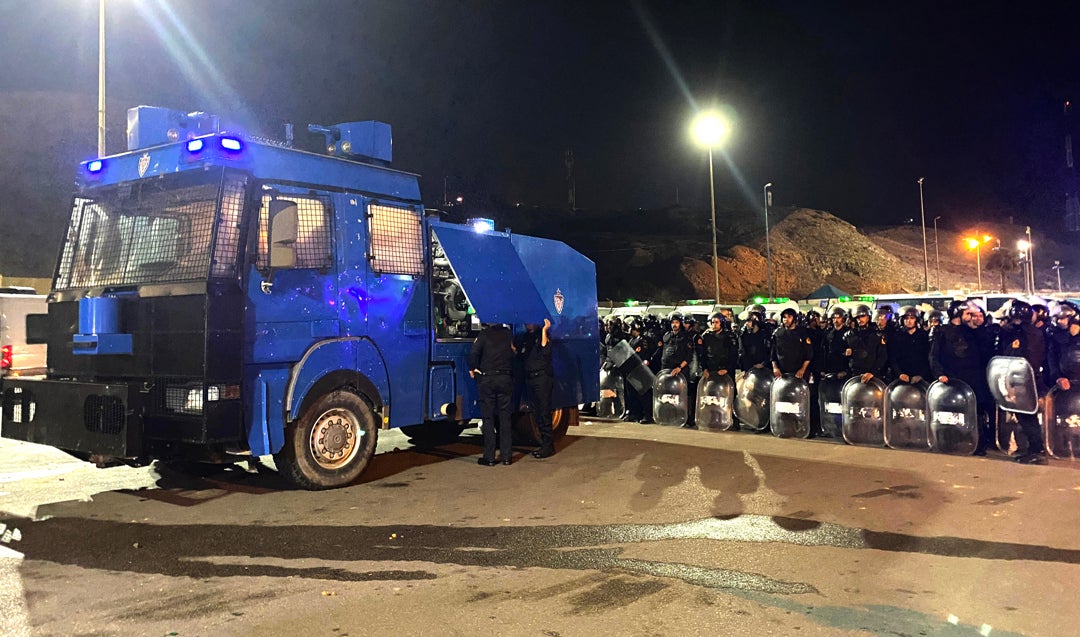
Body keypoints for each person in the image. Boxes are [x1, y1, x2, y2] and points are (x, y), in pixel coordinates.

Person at [930, 299, 995, 455]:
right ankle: (952, 440)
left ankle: (979, 443)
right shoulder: (942, 331)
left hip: (974, 377)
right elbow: (934, 355)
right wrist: (940, 374)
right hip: (952, 377)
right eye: (968, 313)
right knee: (953, 411)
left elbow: (985, 351)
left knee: (977, 410)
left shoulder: (972, 331)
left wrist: (977, 329)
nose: (971, 316)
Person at [997, 300, 1048, 464]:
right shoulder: (1027, 331)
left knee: (1027, 416)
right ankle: (1031, 448)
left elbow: (1019, 355)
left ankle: (1035, 449)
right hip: (1023, 378)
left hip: (1023, 379)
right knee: (1024, 416)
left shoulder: (1026, 333)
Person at [469, 322, 516, 466]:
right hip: (505, 378)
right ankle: (507, 457)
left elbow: (473, 354)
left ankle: (489, 457)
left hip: (488, 379)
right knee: (505, 418)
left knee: (488, 418)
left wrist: (473, 369)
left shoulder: (483, 335)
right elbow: (513, 353)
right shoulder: (508, 335)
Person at [516, 318, 555, 459]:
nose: (527, 324)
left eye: (530, 322)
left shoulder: (543, 336)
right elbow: (521, 356)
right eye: (526, 322)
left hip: (542, 378)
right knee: (536, 412)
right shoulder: (526, 338)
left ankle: (548, 446)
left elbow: (545, 351)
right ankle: (544, 443)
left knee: (544, 411)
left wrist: (545, 330)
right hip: (530, 378)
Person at [888, 306, 931, 384]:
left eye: (912, 318)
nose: (909, 321)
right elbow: (892, 357)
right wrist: (899, 374)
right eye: (906, 318)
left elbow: (927, 357)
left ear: (916, 320)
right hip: (901, 377)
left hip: (920, 377)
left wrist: (921, 375)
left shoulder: (924, 336)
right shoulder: (897, 336)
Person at [844, 304, 886, 382]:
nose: (860, 319)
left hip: (873, 375)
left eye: (862, 316)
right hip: (855, 374)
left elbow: (882, 356)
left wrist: (872, 372)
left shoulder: (877, 335)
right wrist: (846, 353)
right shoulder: (849, 335)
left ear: (868, 317)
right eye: (857, 317)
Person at [771, 308, 812, 378]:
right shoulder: (778, 333)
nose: (786, 319)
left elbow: (809, 354)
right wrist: (775, 368)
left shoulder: (802, 333)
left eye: (789, 317)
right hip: (782, 373)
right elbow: (773, 354)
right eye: (784, 317)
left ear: (795, 319)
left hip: (798, 373)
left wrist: (803, 369)